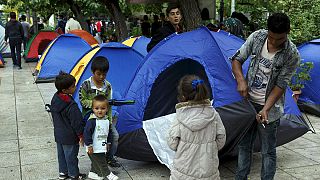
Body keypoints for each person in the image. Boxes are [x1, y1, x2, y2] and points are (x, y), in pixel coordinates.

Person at [231, 13, 300, 180]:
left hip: (271, 109)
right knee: (244, 146)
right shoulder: (257, 37)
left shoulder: (292, 54)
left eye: (280, 39)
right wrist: (241, 81)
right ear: (267, 30)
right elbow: (237, 59)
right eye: (272, 37)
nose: (274, 42)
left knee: (268, 151)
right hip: (248, 104)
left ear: (288, 32)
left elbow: (281, 85)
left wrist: (266, 109)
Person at [167, 75, 226, 180]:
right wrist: (209, 147)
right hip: (209, 169)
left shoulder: (179, 117)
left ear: (183, 96)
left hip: (183, 171)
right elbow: (221, 138)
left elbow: (172, 143)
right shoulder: (213, 115)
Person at [79, 56, 120, 168]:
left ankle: (109, 157)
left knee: (114, 136)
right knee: (93, 139)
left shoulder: (107, 86)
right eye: (98, 74)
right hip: (90, 119)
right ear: (93, 72)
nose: (101, 77)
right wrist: (96, 104)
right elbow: (82, 101)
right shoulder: (85, 85)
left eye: (104, 74)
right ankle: (96, 163)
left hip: (104, 119)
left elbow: (109, 105)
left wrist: (109, 121)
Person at [50, 72, 86, 180]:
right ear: (65, 90)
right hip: (69, 136)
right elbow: (77, 122)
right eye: (73, 86)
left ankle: (63, 173)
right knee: (71, 156)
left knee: (61, 155)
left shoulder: (55, 98)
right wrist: (81, 135)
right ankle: (73, 175)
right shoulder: (71, 105)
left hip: (59, 134)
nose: (75, 87)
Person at [84, 94, 119, 180]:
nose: (99, 111)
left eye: (103, 108)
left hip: (101, 145)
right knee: (101, 161)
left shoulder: (106, 120)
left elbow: (109, 133)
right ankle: (108, 174)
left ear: (107, 109)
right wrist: (89, 145)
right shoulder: (92, 121)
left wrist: (108, 142)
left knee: (96, 162)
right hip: (93, 147)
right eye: (97, 108)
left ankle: (93, 173)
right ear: (93, 109)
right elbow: (86, 133)